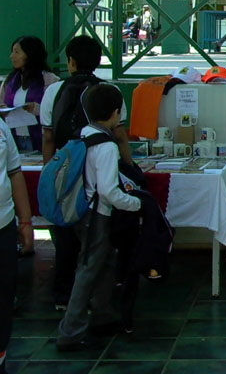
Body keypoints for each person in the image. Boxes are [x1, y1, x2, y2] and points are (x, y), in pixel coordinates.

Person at [41, 35, 135, 311]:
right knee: (98, 244)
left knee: (65, 235)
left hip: (65, 173)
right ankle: (99, 298)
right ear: (98, 61)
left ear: (70, 62)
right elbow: (120, 136)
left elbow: (47, 137)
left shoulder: (53, 91)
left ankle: (62, 295)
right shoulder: (109, 91)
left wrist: (51, 172)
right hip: (98, 176)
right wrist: (130, 167)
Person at [56, 83, 142, 351]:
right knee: (88, 270)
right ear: (116, 113)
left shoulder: (84, 133)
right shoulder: (107, 147)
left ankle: (103, 317)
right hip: (99, 215)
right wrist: (135, 203)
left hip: (84, 212)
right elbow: (108, 191)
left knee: (104, 263)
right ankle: (70, 332)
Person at [0, 113, 33, 371]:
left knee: (3, 296)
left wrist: (24, 220)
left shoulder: (0, 126)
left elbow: (14, 173)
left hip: (3, 224)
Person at [0, 36, 60, 152]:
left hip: (41, 139)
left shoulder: (50, 80)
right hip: (13, 138)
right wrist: (3, 109)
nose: (12, 56)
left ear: (30, 54)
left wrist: (36, 108)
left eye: (17, 52)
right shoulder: (9, 81)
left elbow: (56, 110)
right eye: (12, 52)